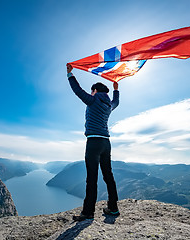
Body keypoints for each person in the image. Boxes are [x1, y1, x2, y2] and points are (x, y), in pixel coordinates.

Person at [66, 63, 120, 221]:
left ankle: (88, 212)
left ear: (95, 91)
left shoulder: (92, 100)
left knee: (92, 178)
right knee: (108, 175)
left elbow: (77, 91)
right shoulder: (109, 105)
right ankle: (113, 208)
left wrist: (70, 74)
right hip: (106, 143)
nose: (90, 93)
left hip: (93, 143)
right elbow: (117, 101)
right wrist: (116, 89)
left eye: (92, 91)